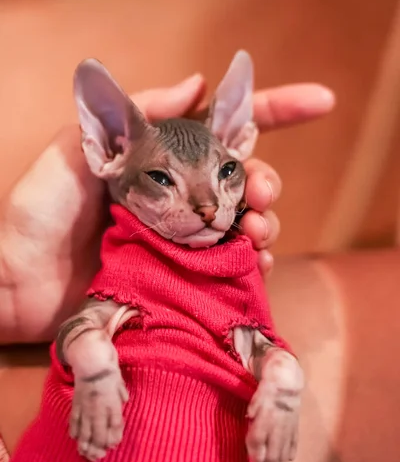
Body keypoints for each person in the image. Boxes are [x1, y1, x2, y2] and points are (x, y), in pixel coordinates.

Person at [0, 73, 335, 345]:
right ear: (108, 145)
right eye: (162, 178)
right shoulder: (124, 147)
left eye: (225, 172)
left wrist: (12, 285)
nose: (208, 207)